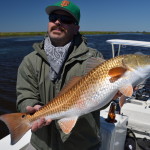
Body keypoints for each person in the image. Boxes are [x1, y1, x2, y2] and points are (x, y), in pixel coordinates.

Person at [16, 1, 104, 150]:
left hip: (81, 144)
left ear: (76, 28)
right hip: (41, 144)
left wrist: (115, 92)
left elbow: (103, 100)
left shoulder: (94, 59)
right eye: (53, 17)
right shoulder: (30, 60)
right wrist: (31, 106)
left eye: (66, 20)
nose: (58, 22)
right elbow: (25, 93)